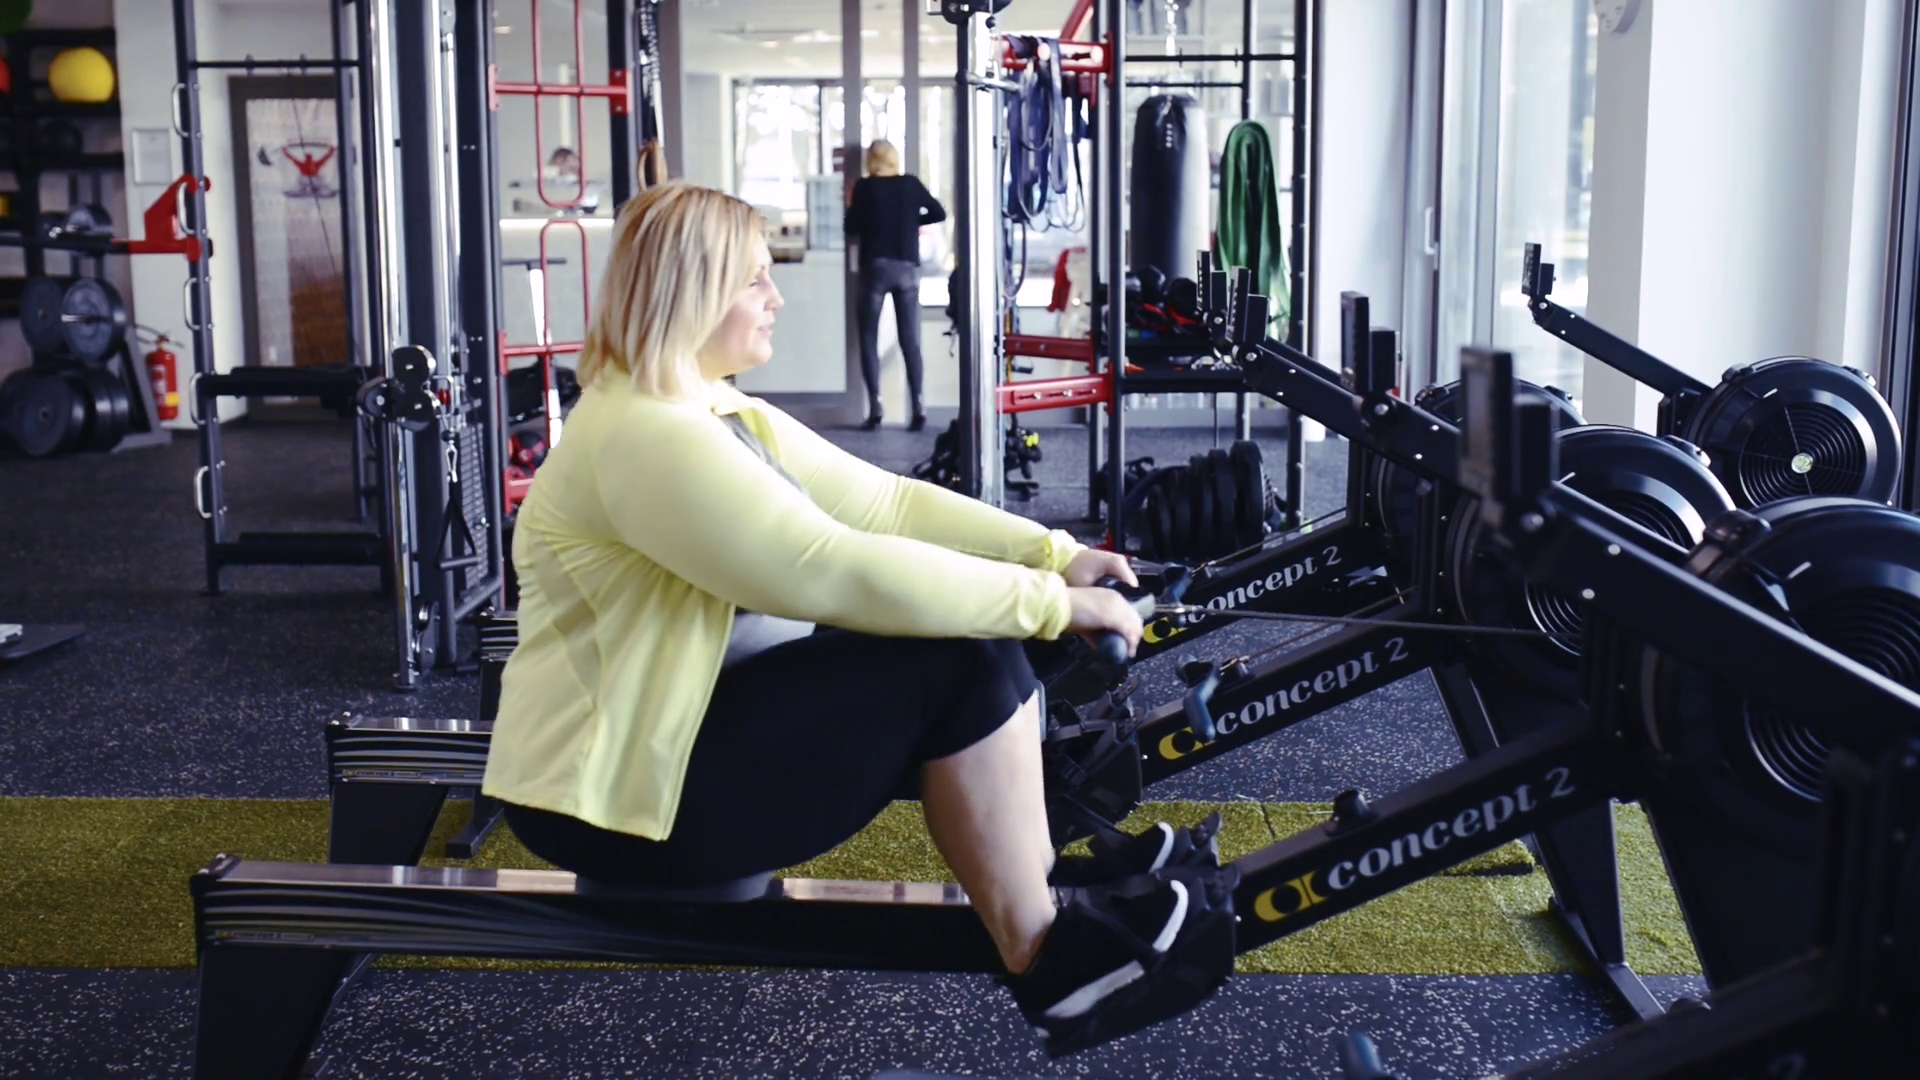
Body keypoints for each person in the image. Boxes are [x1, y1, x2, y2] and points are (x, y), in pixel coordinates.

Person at [482, 181, 1224, 1054]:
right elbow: (825, 568)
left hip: (673, 754)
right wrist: (1049, 602)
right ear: (692, 292)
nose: (776, 298)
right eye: (754, 280)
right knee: (960, 657)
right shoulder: (644, 435)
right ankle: (1055, 962)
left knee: (973, 630)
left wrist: (1052, 555)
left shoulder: (716, 411)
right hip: (619, 809)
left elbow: (889, 506)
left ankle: (1042, 869)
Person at [844, 139, 945, 432]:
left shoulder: (864, 188)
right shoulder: (911, 185)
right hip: (907, 270)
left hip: (875, 268)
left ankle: (875, 407)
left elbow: (851, 227)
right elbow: (939, 212)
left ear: (871, 161)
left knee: (868, 338)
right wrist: (911, 220)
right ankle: (919, 406)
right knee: (910, 340)